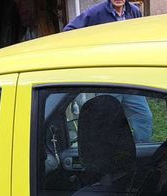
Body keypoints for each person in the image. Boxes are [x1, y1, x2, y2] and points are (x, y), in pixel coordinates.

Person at [63, 1, 153, 142]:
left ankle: (139, 157)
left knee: (143, 118)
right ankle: (111, 159)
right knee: (108, 124)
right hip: (108, 80)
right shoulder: (96, 13)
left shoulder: (134, 12)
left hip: (130, 80)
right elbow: (69, 32)